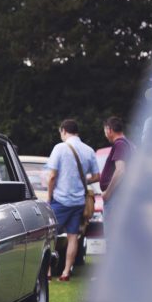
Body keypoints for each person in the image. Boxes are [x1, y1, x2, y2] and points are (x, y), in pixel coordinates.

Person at [44, 119, 99, 281]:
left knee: (50, 236)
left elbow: (52, 175)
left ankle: (47, 272)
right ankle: (66, 272)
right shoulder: (88, 150)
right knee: (73, 236)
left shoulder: (60, 148)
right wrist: (82, 181)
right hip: (78, 202)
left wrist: (49, 196)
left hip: (60, 200)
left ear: (63, 131)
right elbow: (96, 176)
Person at [100, 116, 134, 218]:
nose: (105, 134)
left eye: (105, 131)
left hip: (115, 198)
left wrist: (108, 193)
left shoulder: (120, 144)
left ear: (109, 130)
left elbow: (120, 170)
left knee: (111, 233)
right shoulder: (128, 144)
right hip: (121, 197)